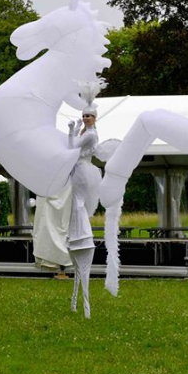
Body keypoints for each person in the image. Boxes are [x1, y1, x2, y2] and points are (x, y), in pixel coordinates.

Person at [65, 103, 101, 319]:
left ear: (94, 118)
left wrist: (71, 131)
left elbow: (72, 148)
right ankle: (77, 232)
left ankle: (81, 235)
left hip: (81, 171)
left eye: (89, 116)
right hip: (80, 170)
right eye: (84, 115)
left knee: (78, 203)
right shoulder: (87, 132)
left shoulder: (89, 135)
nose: (86, 118)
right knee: (76, 204)